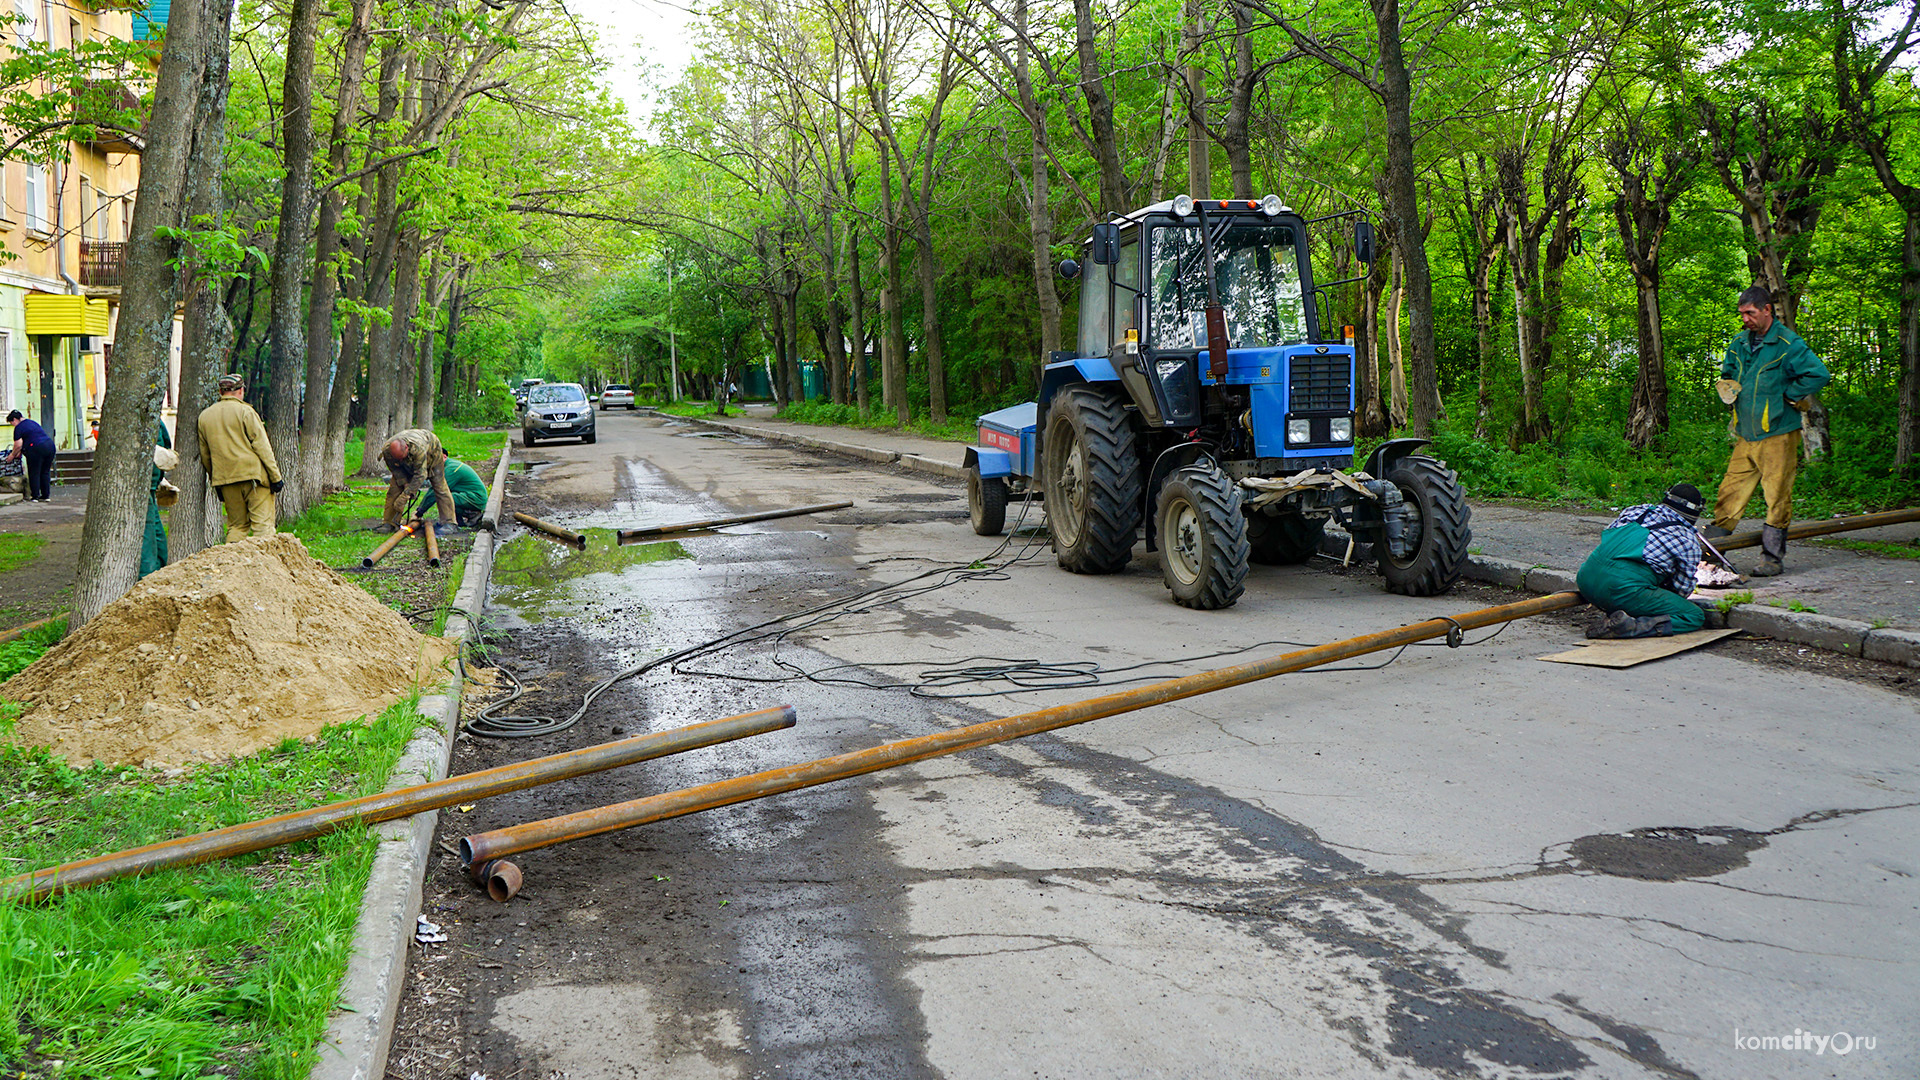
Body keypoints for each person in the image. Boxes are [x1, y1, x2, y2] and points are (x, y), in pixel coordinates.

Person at [1706, 285, 1831, 577]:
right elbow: (1728, 371)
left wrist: (1791, 393)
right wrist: (1727, 384)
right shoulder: (1738, 342)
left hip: (1777, 435)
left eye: (1750, 313)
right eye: (1741, 313)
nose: (1745, 318)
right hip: (1745, 434)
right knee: (1728, 495)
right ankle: (1710, 556)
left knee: (1777, 495)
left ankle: (1771, 558)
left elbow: (1818, 373)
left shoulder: (1788, 344)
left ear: (1766, 310)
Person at [1575, 483, 1709, 639]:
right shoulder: (1687, 540)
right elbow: (1682, 590)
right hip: (1621, 590)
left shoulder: (1636, 511)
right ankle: (1629, 627)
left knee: (1626, 587)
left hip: (1585, 579)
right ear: (1695, 513)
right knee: (1693, 615)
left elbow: (1609, 538)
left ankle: (1619, 608)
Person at [197, 374, 282, 542]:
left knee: (236, 527)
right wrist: (275, 477)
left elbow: (206, 456)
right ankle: (263, 566)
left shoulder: (204, 417)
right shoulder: (246, 412)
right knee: (263, 527)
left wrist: (217, 481)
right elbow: (262, 446)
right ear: (241, 390)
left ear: (221, 391)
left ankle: (232, 566)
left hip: (226, 479)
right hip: (254, 477)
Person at [380, 428, 458, 529]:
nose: (400, 460)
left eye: (402, 457)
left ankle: (449, 522)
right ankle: (389, 523)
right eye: (398, 459)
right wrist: (405, 484)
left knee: (439, 486)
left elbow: (421, 475)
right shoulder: (387, 451)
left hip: (432, 450)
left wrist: (406, 495)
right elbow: (395, 469)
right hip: (409, 457)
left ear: (407, 448)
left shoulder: (418, 449)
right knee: (394, 489)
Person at [408, 457, 488, 526]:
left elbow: (435, 491)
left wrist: (419, 512)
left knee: (444, 498)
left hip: (476, 498)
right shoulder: (450, 465)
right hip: (470, 496)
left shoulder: (451, 469)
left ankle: (472, 515)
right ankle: (461, 518)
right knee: (446, 496)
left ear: (444, 457)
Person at [141, 419, 172, 577]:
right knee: (153, 526)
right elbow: (166, 444)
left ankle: (148, 575)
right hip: (152, 478)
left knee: (148, 529)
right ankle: (158, 572)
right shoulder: (154, 419)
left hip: (145, 479)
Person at [5, 409, 58, 502]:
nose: (12, 425)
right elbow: (29, 438)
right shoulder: (32, 423)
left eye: (11, 422)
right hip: (50, 446)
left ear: (14, 419)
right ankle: (46, 495)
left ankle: (35, 496)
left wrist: (12, 456)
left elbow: (18, 444)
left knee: (34, 472)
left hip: (36, 449)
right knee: (45, 472)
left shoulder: (19, 427)